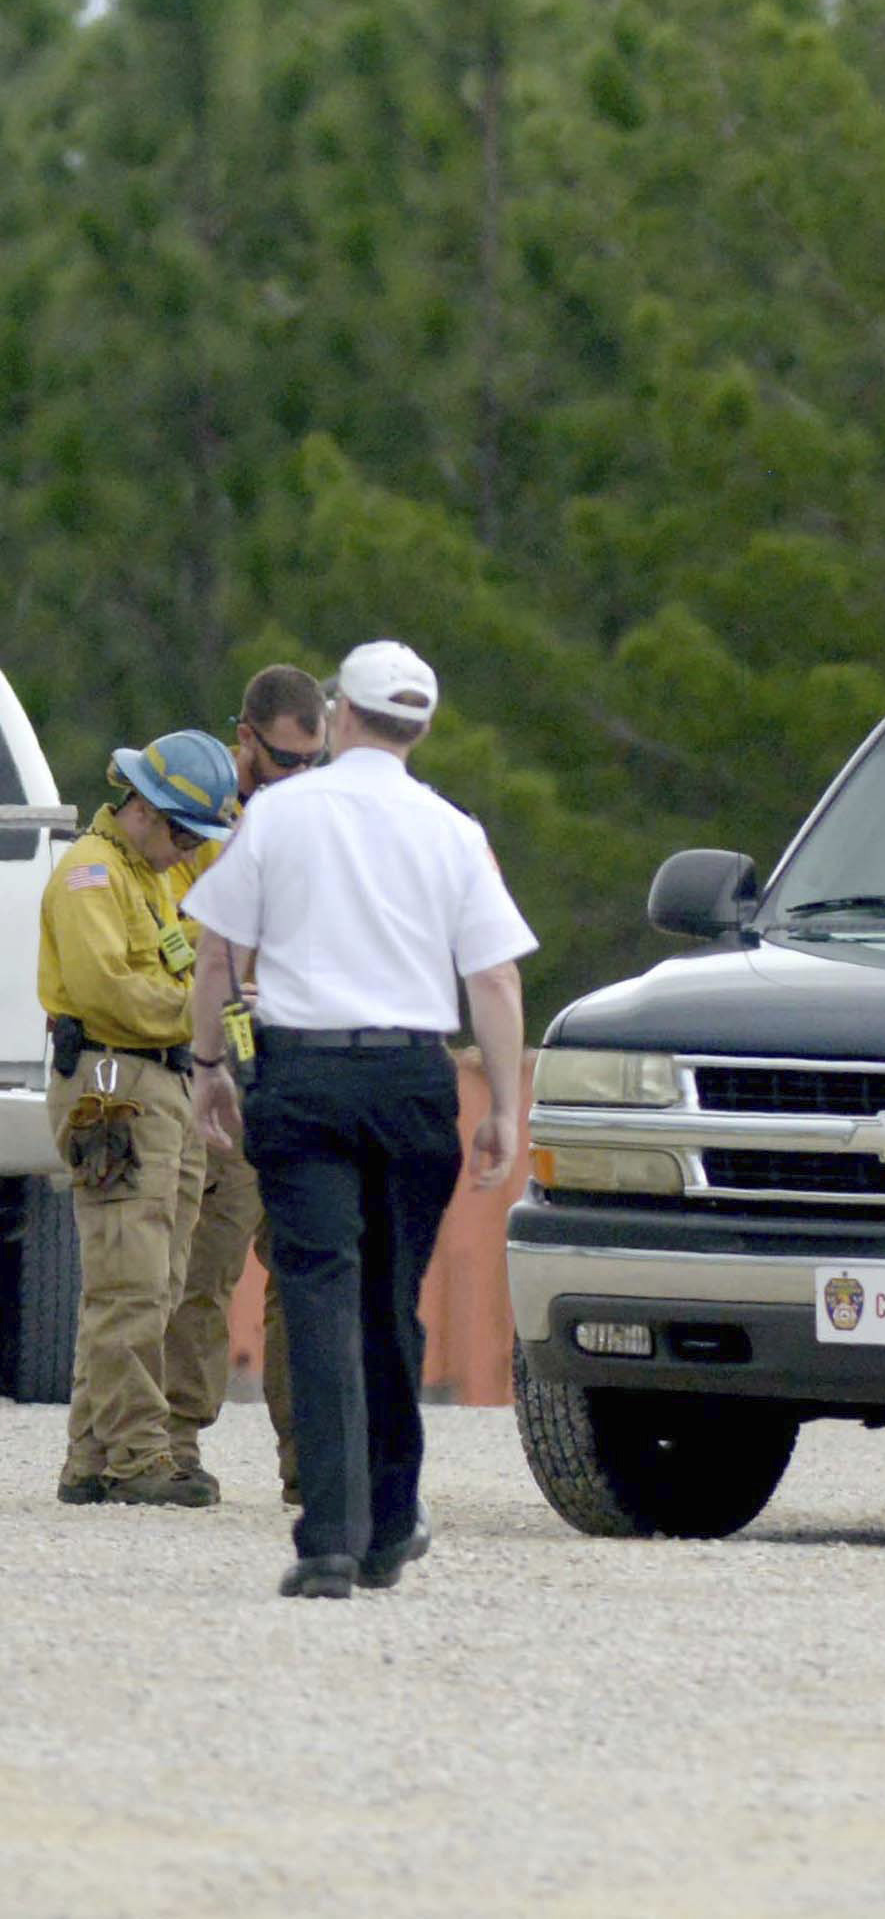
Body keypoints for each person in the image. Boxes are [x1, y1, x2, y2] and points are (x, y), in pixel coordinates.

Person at [185, 641, 536, 1600]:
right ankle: (389, 1523)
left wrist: (208, 1065)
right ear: (420, 726)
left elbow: (220, 954)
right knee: (392, 1304)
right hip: (413, 1080)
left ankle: (329, 1540)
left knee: (321, 1296)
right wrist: (502, 1104)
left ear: (340, 714)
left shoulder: (281, 816)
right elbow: (494, 978)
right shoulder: (453, 830)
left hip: (302, 1078)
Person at [38, 728, 240, 1507]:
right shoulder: (92, 877)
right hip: (113, 1084)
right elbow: (110, 993)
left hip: (159, 1083)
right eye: (186, 832)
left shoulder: (146, 878)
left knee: (152, 1279)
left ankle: (92, 1453)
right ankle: (136, 1454)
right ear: (147, 811)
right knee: (130, 1278)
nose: (190, 850)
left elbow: (176, 957)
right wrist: (208, 1010)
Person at [162, 664, 328, 1506]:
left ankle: (310, 1460)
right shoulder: (200, 821)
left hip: (301, 1066)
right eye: (286, 760)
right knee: (207, 1264)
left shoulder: (325, 821)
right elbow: (190, 944)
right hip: (230, 1060)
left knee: (304, 1275)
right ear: (247, 738)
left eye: (313, 761)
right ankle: (173, 1443)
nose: (299, 776)